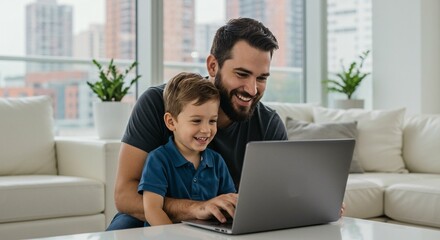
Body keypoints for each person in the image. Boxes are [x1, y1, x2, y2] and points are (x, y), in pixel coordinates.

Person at [107, 17, 287, 230]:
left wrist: (312, 204)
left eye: (262, 78)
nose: (252, 89)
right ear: (213, 66)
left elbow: (280, 195)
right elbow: (124, 196)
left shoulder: (268, 124)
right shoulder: (158, 102)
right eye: (242, 74)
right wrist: (196, 208)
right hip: (148, 220)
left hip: (223, 224)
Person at [138, 72, 237, 226]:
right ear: (171, 122)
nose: (206, 129)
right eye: (196, 121)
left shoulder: (217, 161)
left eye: (212, 121)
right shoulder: (158, 160)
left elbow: (230, 202)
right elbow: (152, 210)